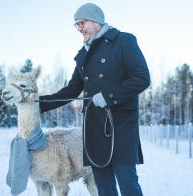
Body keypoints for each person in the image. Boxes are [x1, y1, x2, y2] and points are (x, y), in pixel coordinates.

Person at [40, 3, 150, 196]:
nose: (79, 28)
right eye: (76, 25)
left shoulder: (123, 41)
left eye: (82, 23)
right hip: (94, 129)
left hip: (120, 126)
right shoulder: (83, 56)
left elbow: (142, 78)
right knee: (104, 188)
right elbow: (70, 91)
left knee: (128, 185)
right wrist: (38, 104)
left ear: (96, 21)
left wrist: (108, 96)